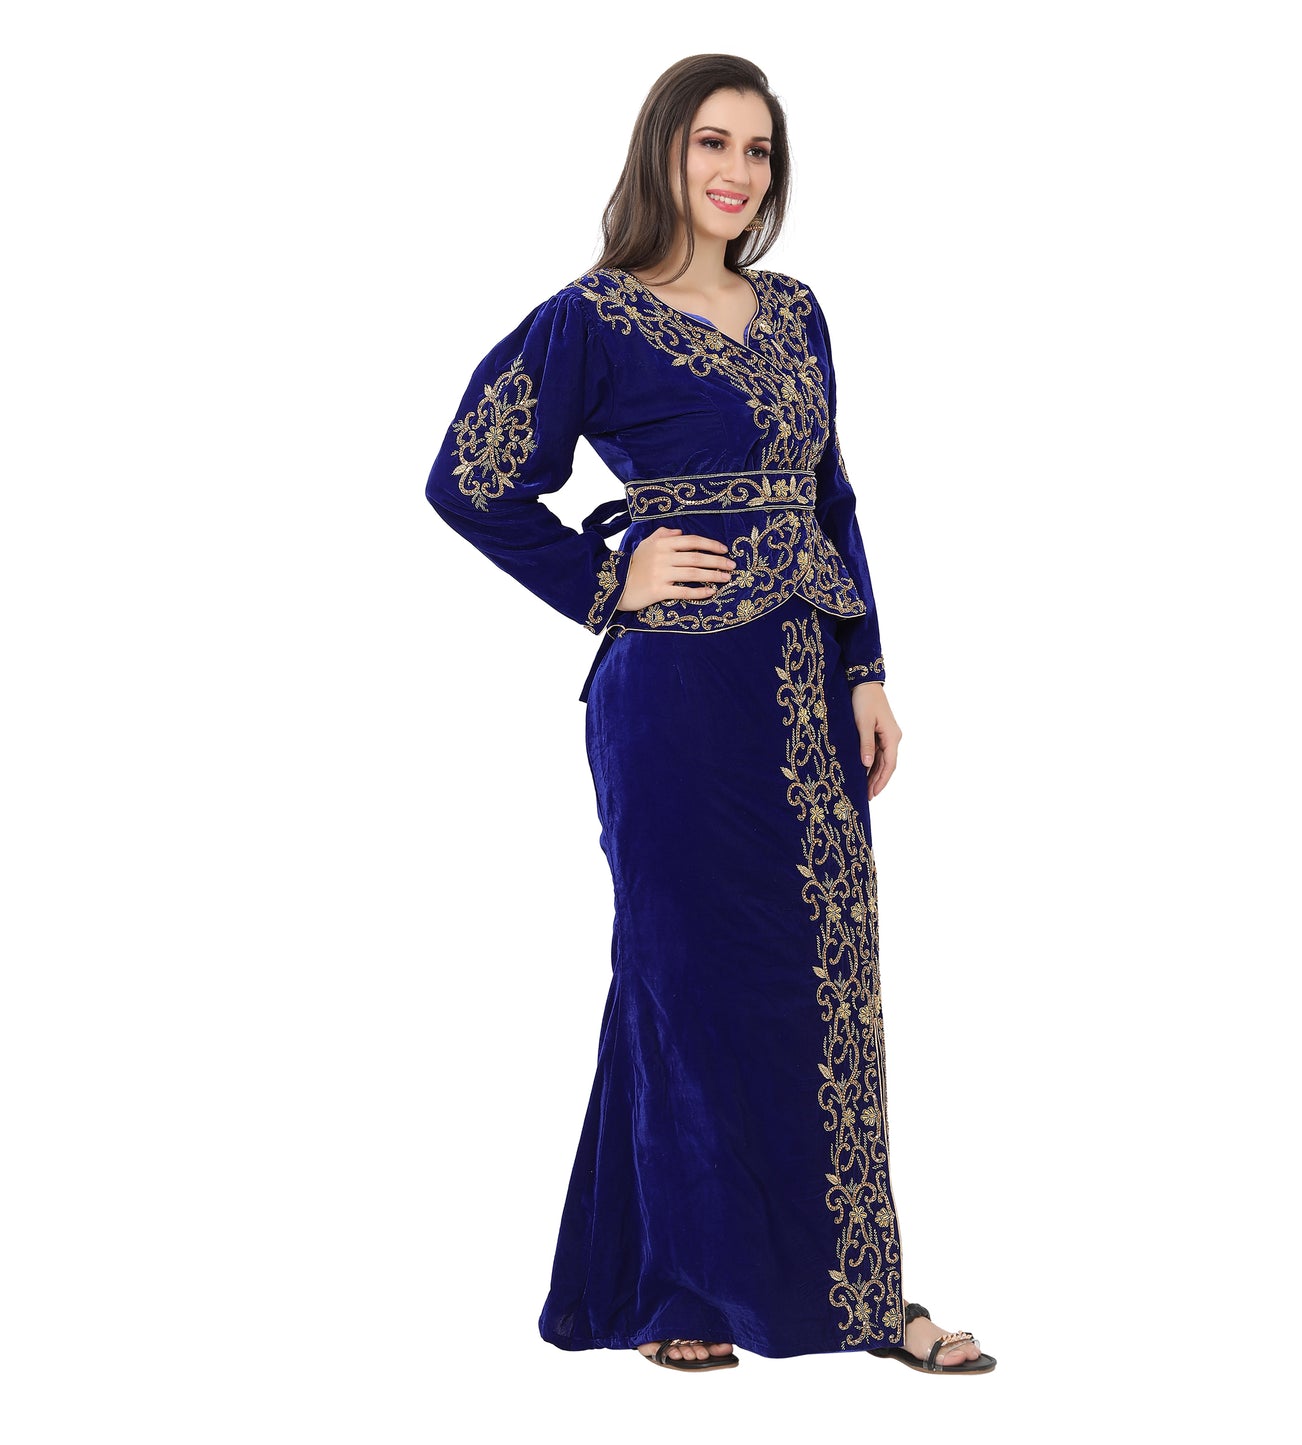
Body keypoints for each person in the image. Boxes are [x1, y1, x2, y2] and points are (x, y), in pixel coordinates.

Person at [424, 53, 996, 1377]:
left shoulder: (794, 311)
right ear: (663, 155)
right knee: (682, 977)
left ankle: (861, 1298)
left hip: (802, 685)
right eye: (712, 144)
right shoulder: (593, 318)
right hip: (672, 697)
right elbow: (467, 479)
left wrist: (866, 667)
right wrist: (603, 578)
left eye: (759, 150)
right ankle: (681, 1287)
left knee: (822, 982)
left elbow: (829, 496)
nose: (738, 173)